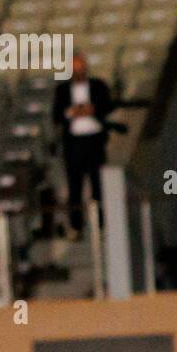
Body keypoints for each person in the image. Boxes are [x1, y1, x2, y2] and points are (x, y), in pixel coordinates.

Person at [51, 52, 114, 238]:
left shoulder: (98, 86)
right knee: (75, 188)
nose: (78, 72)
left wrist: (92, 109)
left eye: (81, 68)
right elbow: (57, 116)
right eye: (75, 69)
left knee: (98, 185)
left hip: (94, 141)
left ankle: (102, 224)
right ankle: (76, 226)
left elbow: (107, 107)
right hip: (74, 145)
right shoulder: (62, 90)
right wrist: (72, 112)